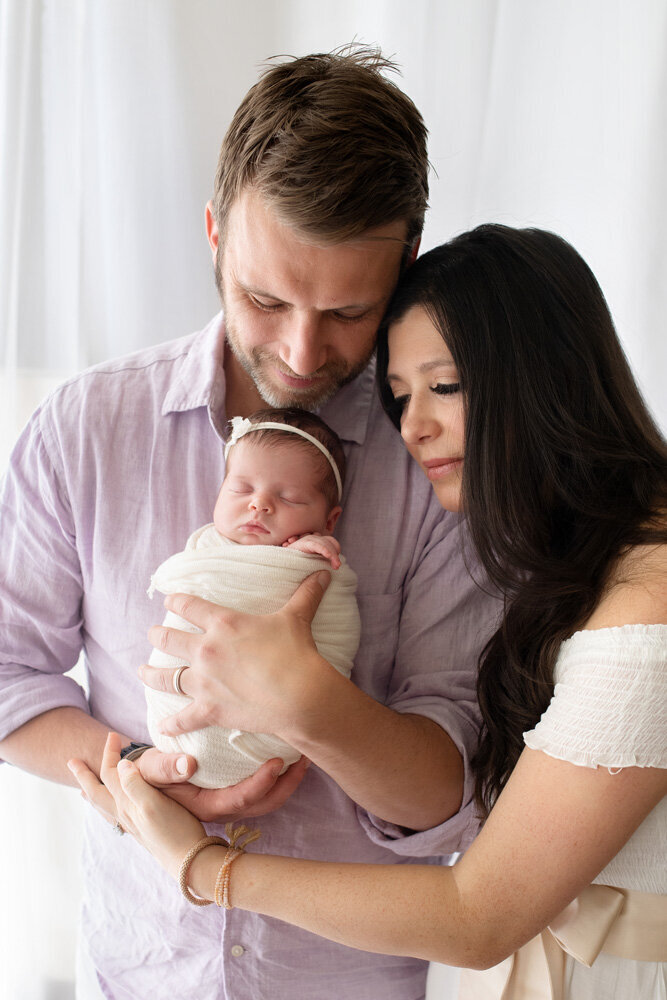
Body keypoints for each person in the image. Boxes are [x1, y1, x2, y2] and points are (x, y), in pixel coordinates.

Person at [0, 48, 498, 999]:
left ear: (404, 267)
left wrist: (308, 704)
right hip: (139, 971)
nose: (303, 352)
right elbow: (7, 671)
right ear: (214, 235)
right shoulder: (87, 429)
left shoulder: (437, 455)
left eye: (349, 310)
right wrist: (143, 773)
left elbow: (450, 785)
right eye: (267, 300)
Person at [71, 225, 666, 1000]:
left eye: (444, 387)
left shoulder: (643, 616)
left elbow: (477, 915)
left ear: (545, 376)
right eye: (398, 399)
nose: (413, 427)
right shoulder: (579, 564)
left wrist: (202, 865)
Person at [146, 406, 361, 789]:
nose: (258, 504)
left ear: (329, 521)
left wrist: (308, 557)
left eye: (291, 498)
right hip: (170, 721)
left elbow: (334, 633)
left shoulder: (313, 560)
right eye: (241, 489)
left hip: (277, 728)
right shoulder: (205, 545)